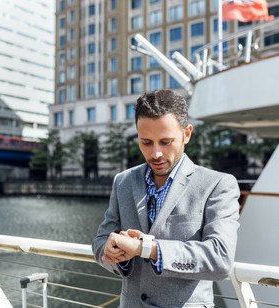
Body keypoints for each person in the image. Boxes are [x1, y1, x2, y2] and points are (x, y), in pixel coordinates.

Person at [92, 89, 240, 308]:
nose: (156, 154)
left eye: (166, 141)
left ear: (187, 134)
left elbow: (220, 258)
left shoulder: (218, 185)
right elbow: (100, 240)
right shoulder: (122, 181)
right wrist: (110, 250)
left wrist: (146, 249)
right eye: (146, 142)